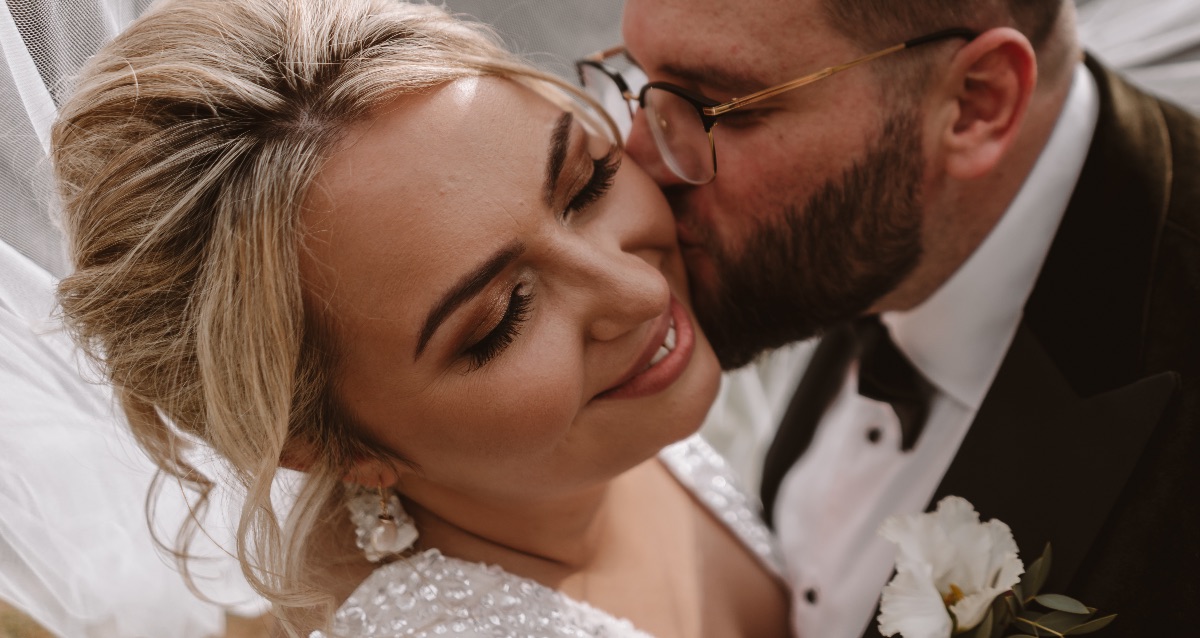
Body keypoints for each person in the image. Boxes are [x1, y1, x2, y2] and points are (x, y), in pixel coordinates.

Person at [48, 0, 791, 636]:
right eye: (502, 319)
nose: (639, 293)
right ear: (320, 444)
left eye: (586, 184)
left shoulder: (591, 439)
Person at [584, 0, 1200, 636]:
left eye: (715, 104)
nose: (642, 155)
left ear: (974, 102)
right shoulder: (847, 246)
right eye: (640, 75)